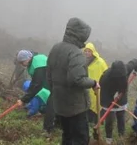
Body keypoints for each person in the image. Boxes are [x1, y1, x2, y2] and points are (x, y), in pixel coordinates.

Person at [47, 17, 99, 145]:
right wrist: (93, 82)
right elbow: (78, 80)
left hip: (60, 104)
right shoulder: (76, 53)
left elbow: (48, 75)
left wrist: (55, 93)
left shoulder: (56, 48)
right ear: (80, 35)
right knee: (80, 139)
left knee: (67, 136)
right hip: (75, 107)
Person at [99, 59, 137, 144]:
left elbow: (135, 62)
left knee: (121, 117)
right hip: (108, 99)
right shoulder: (105, 78)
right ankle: (108, 139)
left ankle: (121, 137)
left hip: (122, 97)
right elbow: (103, 92)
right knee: (109, 120)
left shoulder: (126, 69)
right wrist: (111, 100)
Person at [16, 50, 56, 134]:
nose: (22, 64)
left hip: (58, 85)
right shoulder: (36, 60)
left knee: (51, 106)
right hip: (54, 86)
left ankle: (48, 130)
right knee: (56, 105)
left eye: (22, 62)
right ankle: (56, 126)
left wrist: (23, 100)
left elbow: (36, 86)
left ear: (27, 59)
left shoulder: (38, 65)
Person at [84, 42, 108, 124]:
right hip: (88, 88)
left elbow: (106, 73)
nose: (87, 53)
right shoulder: (83, 62)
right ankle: (90, 124)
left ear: (93, 51)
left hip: (98, 88)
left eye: (89, 51)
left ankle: (99, 124)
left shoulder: (100, 62)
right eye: (86, 51)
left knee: (98, 106)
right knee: (89, 106)